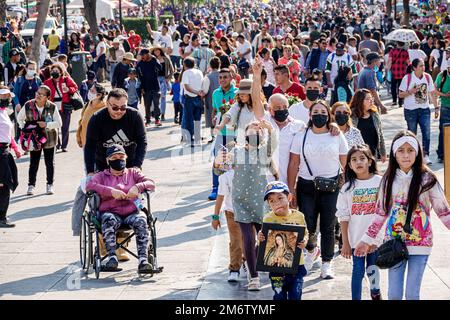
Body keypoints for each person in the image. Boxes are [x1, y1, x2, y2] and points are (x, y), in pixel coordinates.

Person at [354, 131, 450, 300]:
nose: (406, 155)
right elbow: (380, 213)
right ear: (394, 154)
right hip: (394, 244)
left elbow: (444, 212)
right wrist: (366, 240)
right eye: (401, 150)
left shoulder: (428, 179)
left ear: (417, 152)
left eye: (410, 150)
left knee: (412, 294)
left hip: (421, 243)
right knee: (394, 294)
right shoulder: (388, 180)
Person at [288, 100, 349, 279]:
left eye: (323, 111)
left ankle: (326, 263)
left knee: (328, 226)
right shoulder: (302, 135)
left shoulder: (336, 135)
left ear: (329, 115)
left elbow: (345, 162)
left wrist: (347, 187)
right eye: (316, 111)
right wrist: (291, 189)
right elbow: (293, 163)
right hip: (306, 185)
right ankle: (312, 250)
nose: (319, 114)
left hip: (331, 186)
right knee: (308, 223)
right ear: (310, 115)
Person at [216, 119, 277, 291]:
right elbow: (218, 170)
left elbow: (274, 141)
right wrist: (217, 162)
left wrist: (269, 128)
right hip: (241, 202)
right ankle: (254, 276)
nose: (254, 134)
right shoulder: (236, 151)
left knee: (263, 239)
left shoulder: (264, 152)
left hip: (260, 202)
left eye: (258, 132)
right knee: (248, 239)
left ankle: (252, 262)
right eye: (251, 131)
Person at [86, 144, 156, 273]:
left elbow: (151, 183)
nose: (118, 159)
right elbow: (89, 185)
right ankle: (112, 258)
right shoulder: (101, 176)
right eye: (114, 157)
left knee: (141, 220)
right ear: (108, 160)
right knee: (108, 219)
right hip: (111, 212)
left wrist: (137, 187)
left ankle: (143, 260)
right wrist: (110, 191)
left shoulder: (133, 173)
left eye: (121, 156)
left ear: (126, 157)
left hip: (131, 212)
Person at [336, 144, 382, 300]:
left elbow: (385, 213)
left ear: (370, 161)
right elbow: (343, 217)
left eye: (362, 158)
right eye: (353, 160)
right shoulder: (347, 188)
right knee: (357, 272)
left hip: (375, 239)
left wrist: (378, 239)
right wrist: (345, 243)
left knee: (373, 269)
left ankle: (375, 293)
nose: (358, 162)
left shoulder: (380, 182)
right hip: (356, 239)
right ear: (349, 165)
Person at [257, 181, 308, 300]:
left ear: (289, 197)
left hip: (296, 266)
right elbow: (264, 241)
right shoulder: (268, 218)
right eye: (272, 201)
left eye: (280, 198)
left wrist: (304, 240)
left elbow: (305, 232)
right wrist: (259, 237)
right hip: (276, 269)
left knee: (295, 295)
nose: (276, 203)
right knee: (279, 295)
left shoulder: (299, 216)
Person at [84, 88, 147, 176]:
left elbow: (142, 142)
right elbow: (90, 146)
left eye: (123, 108)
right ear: (107, 104)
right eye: (115, 107)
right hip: (103, 166)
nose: (119, 111)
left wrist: (137, 166)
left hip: (129, 165)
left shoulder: (135, 116)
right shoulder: (97, 118)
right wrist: (90, 171)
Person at [17, 85, 62, 195]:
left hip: (49, 138)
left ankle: (49, 184)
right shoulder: (28, 105)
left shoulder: (52, 107)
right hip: (34, 139)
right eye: (38, 93)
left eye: (42, 94)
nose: (38, 95)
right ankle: (31, 185)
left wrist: (46, 124)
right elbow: (19, 118)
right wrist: (25, 129)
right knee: (33, 163)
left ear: (47, 97)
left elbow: (59, 123)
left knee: (49, 162)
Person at [398, 58, 438, 165]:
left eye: (423, 65)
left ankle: (425, 155)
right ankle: (414, 156)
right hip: (411, 111)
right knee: (412, 134)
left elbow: (432, 93)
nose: (423, 67)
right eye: (420, 66)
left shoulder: (427, 77)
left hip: (424, 110)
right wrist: (410, 91)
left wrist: (436, 107)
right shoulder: (408, 78)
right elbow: (400, 94)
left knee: (426, 133)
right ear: (414, 68)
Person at [209, 68, 239, 200]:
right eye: (220, 77)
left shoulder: (238, 93)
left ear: (232, 77)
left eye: (225, 77)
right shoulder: (216, 93)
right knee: (218, 159)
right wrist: (214, 118)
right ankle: (215, 188)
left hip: (236, 132)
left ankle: (235, 187)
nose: (222, 80)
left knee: (236, 160)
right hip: (222, 132)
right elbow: (215, 110)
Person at [211, 166, 245, 282]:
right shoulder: (225, 177)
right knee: (236, 241)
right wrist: (216, 216)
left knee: (249, 240)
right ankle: (234, 268)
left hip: (249, 212)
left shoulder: (252, 172)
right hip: (232, 212)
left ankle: (247, 262)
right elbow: (220, 197)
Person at [44, 64, 78, 152]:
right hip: (53, 106)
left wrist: (69, 89)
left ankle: (64, 145)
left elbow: (75, 87)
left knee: (65, 126)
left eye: (56, 71)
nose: (55, 72)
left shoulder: (66, 79)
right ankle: (57, 143)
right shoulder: (48, 82)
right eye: (53, 71)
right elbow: (44, 91)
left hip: (65, 105)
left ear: (60, 72)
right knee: (54, 126)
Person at [0, 87, 21, 228]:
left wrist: (15, 148)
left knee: (8, 181)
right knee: (3, 184)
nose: (7, 99)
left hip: (5, 151)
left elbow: (9, 134)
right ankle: (1, 217)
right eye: (3, 96)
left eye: (8, 96)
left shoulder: (5, 112)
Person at [349, 89, 387, 163]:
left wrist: (383, 152)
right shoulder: (351, 116)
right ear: (360, 101)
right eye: (368, 99)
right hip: (357, 156)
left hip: (373, 154)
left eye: (371, 98)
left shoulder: (375, 114)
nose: (371, 101)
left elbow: (380, 133)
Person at [180, 57, 204, 146]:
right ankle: (198, 139)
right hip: (198, 98)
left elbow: (187, 87)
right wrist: (199, 93)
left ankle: (191, 139)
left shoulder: (186, 73)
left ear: (185, 65)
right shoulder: (199, 72)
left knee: (189, 119)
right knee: (197, 119)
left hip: (189, 98)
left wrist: (196, 92)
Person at [137, 48, 163, 127]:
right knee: (147, 105)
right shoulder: (141, 63)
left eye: (143, 55)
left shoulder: (154, 60)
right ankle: (147, 120)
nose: (142, 57)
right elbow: (138, 74)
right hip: (145, 87)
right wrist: (141, 88)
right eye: (141, 55)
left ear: (148, 54)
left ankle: (157, 120)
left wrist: (154, 60)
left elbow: (160, 68)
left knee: (156, 104)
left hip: (155, 86)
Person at [76, 84, 107, 149]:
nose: (89, 92)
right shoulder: (87, 105)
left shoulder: (105, 108)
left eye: (92, 91)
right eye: (90, 90)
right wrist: (79, 138)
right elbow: (81, 123)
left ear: (99, 95)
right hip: (85, 143)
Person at [151, 46, 174, 122]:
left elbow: (172, 69)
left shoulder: (166, 58)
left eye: (158, 50)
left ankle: (163, 114)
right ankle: (155, 113)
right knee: (155, 97)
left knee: (163, 97)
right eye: (155, 50)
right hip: (154, 79)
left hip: (163, 79)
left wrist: (168, 78)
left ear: (160, 51)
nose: (156, 52)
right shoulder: (152, 59)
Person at [201, 57, 221, 142]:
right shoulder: (224, 74)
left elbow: (205, 91)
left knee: (212, 118)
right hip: (224, 98)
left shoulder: (208, 77)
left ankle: (213, 136)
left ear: (210, 65)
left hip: (211, 100)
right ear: (219, 64)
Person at [435, 58, 450, 163]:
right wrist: (445, 95)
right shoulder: (442, 76)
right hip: (445, 106)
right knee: (444, 130)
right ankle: (441, 154)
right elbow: (434, 89)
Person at [386, 41, 410, 107]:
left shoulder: (392, 51)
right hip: (402, 72)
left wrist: (388, 68)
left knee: (393, 87)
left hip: (394, 71)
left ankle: (394, 100)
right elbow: (408, 62)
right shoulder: (405, 52)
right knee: (401, 87)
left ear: (397, 44)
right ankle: (400, 102)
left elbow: (390, 61)